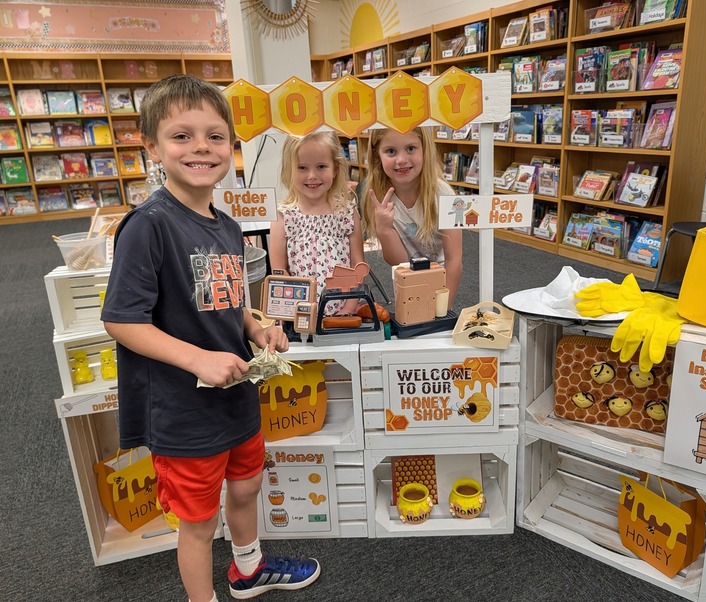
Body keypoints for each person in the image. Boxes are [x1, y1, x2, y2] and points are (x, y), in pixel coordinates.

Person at [100, 74, 319, 602]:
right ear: (151, 146)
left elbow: (229, 300)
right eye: (182, 136)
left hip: (236, 395)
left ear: (231, 147)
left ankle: (248, 570)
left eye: (215, 136)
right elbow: (122, 320)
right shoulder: (148, 225)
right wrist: (198, 359)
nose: (201, 147)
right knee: (197, 521)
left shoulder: (227, 227)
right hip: (183, 410)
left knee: (246, 486)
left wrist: (257, 329)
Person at [361, 127, 462, 306]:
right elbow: (398, 262)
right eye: (391, 151)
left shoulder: (444, 195)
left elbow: (454, 260)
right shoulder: (379, 197)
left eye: (410, 148)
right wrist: (384, 230)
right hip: (406, 277)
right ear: (377, 155)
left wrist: (444, 306)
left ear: (424, 149)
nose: (401, 160)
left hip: (442, 274)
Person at [269, 131, 365, 316]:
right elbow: (279, 272)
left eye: (321, 166)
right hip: (300, 313)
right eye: (302, 167)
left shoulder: (346, 212)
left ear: (335, 168)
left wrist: (349, 308)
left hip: (344, 310)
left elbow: (358, 265)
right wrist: (298, 312)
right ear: (290, 169)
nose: (312, 175)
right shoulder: (283, 216)